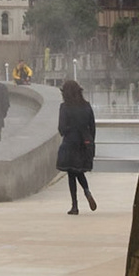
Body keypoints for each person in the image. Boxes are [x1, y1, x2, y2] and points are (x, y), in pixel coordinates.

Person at [55, 78, 96, 213]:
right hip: (85, 143)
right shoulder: (87, 106)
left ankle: (75, 205)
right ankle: (87, 190)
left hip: (70, 143)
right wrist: (90, 141)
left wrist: (68, 131)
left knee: (71, 173)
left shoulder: (64, 107)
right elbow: (92, 127)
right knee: (79, 171)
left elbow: (61, 128)